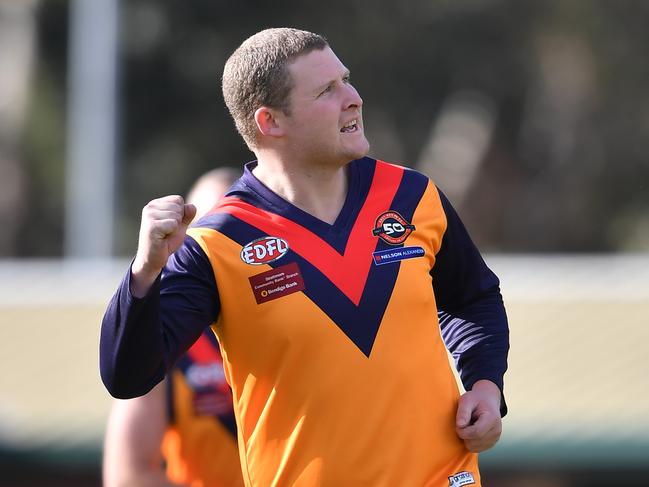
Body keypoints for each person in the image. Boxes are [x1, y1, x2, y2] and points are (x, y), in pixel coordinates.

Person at [100, 28, 509, 486]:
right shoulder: (217, 244)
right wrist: (144, 271)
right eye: (327, 91)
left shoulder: (413, 195)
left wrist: (485, 385)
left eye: (347, 80)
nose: (353, 98)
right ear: (270, 122)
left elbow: (473, 297)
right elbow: (127, 376)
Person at [102, 168, 244, 487]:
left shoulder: (296, 312)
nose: (217, 247)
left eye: (233, 230)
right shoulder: (163, 339)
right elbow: (128, 476)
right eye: (206, 231)